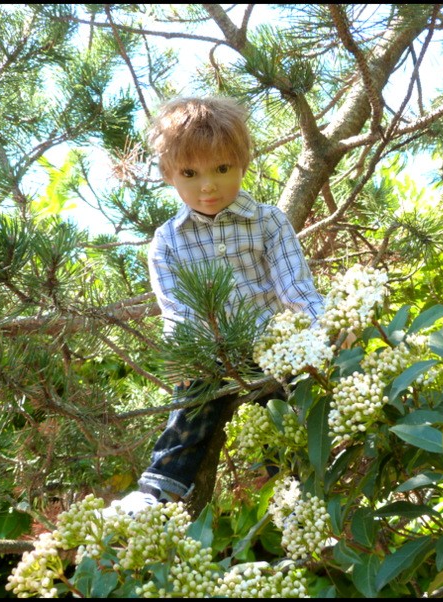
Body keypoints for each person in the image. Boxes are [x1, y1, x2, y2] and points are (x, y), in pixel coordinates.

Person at [107, 96, 324, 515]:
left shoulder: (268, 222)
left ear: (242, 163)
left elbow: (296, 290)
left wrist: (322, 335)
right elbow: (178, 312)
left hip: (272, 347)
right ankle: (158, 492)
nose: (207, 186)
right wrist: (186, 358)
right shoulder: (168, 241)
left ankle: (295, 500)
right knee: (189, 415)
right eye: (190, 173)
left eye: (222, 169)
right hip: (211, 354)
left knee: (280, 418)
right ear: (170, 175)